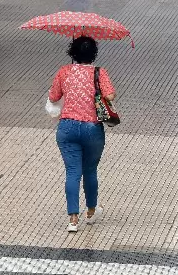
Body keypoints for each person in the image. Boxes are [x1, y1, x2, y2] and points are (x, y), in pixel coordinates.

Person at [48, 36, 117, 232]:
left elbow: (54, 96)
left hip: (67, 128)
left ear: (73, 53)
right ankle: (91, 212)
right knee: (90, 170)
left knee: (72, 172)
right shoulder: (99, 72)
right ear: (93, 53)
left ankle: (72, 219)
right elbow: (110, 95)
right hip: (92, 128)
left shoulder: (64, 72)